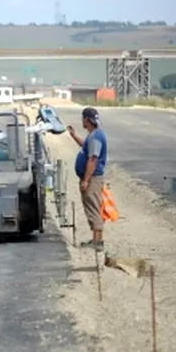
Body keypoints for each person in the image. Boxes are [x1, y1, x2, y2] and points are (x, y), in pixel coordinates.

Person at [65, 107, 108, 252]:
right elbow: (86, 146)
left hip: (93, 179)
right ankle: (96, 240)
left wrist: (86, 180)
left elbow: (93, 159)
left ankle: (98, 242)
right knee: (92, 206)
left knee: (93, 207)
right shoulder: (93, 135)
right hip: (92, 177)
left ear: (86, 120)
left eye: (83, 118)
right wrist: (74, 136)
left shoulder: (96, 137)